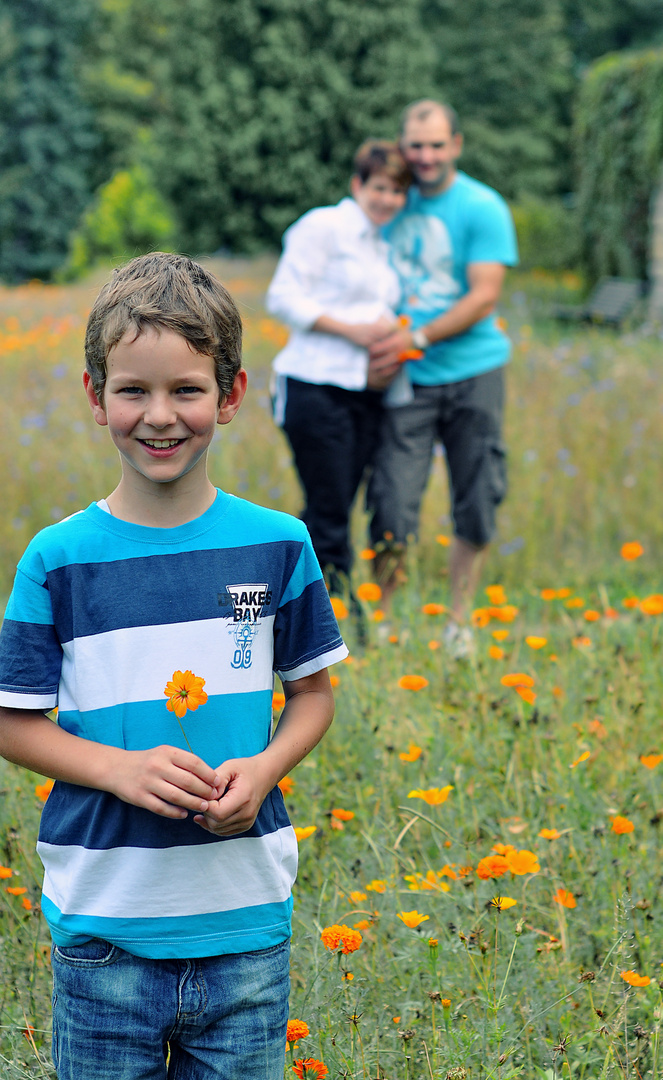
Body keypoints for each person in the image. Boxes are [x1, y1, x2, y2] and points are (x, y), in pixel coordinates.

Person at [0, 253, 347, 1079]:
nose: (160, 416)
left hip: (245, 935)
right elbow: (11, 720)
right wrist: (118, 771)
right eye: (133, 391)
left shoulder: (278, 544)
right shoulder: (60, 559)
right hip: (104, 939)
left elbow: (313, 697)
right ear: (95, 397)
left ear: (230, 397)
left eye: (186, 390)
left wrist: (264, 770)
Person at [366, 100, 519, 654]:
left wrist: (418, 338)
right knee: (392, 498)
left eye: (435, 145)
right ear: (402, 145)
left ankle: (458, 622)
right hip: (404, 380)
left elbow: (484, 295)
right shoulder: (389, 201)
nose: (425, 157)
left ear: (456, 144)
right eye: (416, 145)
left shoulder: (482, 206)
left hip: (473, 371)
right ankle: (383, 620)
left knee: (476, 496)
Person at [266, 140, 411, 599]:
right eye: (380, 187)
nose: (388, 199)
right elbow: (282, 297)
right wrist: (352, 330)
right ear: (358, 184)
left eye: (397, 191)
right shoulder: (324, 226)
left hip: (366, 393)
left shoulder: (382, 245)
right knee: (329, 511)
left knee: (338, 506)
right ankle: (339, 614)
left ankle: (307, 604)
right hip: (314, 385)